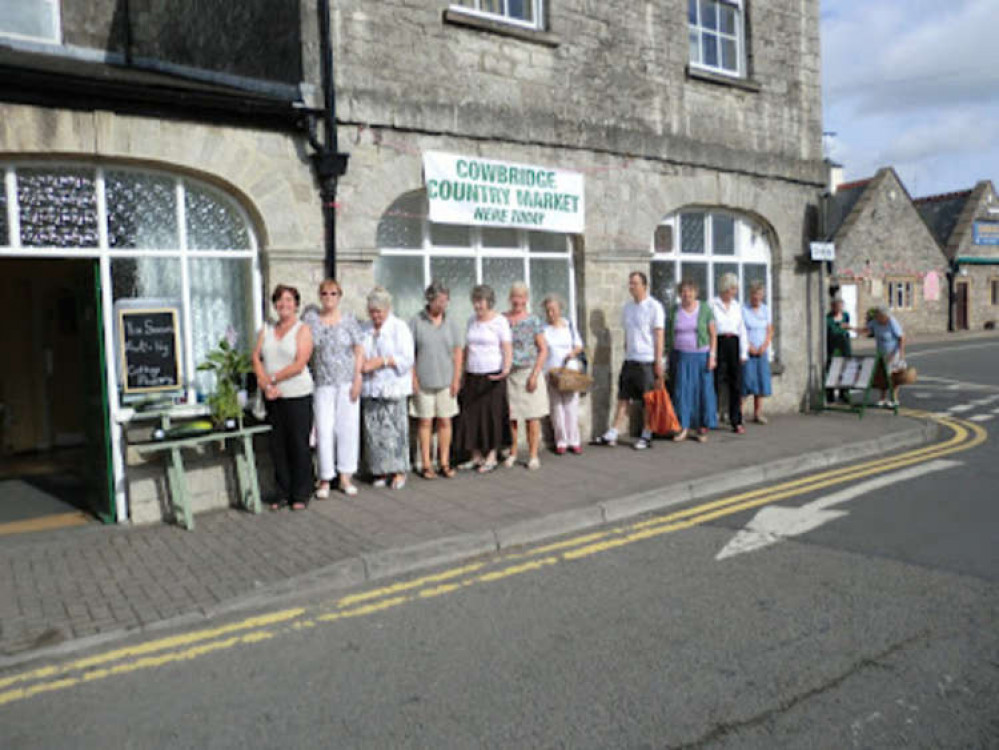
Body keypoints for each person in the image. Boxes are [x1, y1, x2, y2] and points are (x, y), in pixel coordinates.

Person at [252, 284, 315, 511]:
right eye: (280, 300)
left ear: (296, 304)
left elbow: (300, 363)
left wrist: (273, 379)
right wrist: (264, 383)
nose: (284, 304)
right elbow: (256, 357)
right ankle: (282, 492)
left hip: (297, 394)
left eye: (289, 300)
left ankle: (301, 492)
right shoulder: (267, 329)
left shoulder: (303, 329)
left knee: (298, 445)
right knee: (277, 446)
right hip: (273, 396)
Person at [303, 278, 363, 498]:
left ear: (340, 296)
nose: (329, 298)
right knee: (324, 429)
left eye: (333, 294)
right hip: (323, 382)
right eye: (325, 294)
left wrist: (358, 378)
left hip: (346, 380)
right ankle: (325, 476)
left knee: (347, 428)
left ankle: (346, 475)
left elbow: (359, 349)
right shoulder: (312, 320)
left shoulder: (348, 320)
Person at [593, 271, 665, 450]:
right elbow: (627, 334)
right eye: (630, 283)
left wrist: (658, 362)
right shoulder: (627, 307)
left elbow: (659, 335)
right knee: (623, 397)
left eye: (635, 283)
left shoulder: (654, 307)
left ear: (644, 286)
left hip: (647, 360)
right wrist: (627, 351)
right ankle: (614, 431)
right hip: (630, 358)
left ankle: (647, 434)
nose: (631, 286)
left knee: (648, 400)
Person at [359, 287, 414, 490]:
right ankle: (379, 469)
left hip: (393, 386)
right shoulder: (365, 329)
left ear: (388, 309)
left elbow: (407, 358)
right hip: (371, 386)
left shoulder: (399, 327)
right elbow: (359, 352)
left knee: (395, 430)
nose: (375, 316)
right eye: (372, 311)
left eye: (379, 312)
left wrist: (382, 361)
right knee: (374, 431)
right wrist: (365, 364)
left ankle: (398, 470)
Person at [410, 280, 464, 479]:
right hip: (424, 381)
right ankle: (426, 463)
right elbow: (410, 353)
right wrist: (413, 377)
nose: (442, 305)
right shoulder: (416, 321)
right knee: (425, 422)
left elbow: (458, 352)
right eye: (438, 301)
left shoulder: (452, 323)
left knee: (445, 421)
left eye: (445, 301)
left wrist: (457, 378)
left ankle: (444, 461)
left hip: (446, 381)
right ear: (430, 300)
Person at [456, 284, 512, 473]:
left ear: (489, 302)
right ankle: (476, 455)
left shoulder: (500, 321)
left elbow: (506, 347)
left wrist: (506, 369)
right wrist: (462, 373)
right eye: (475, 301)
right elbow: (466, 348)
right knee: (470, 416)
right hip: (473, 373)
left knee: (492, 417)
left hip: (493, 374)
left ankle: (492, 455)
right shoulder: (471, 320)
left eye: (480, 301)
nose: (477, 305)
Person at [503, 282, 549, 470]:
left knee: (532, 417)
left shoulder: (534, 321)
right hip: (510, 373)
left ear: (526, 299)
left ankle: (532, 455)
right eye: (515, 297)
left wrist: (535, 374)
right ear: (510, 298)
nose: (518, 301)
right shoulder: (502, 319)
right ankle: (513, 452)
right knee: (512, 417)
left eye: (521, 297)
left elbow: (543, 349)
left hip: (529, 372)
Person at [667, 278, 718, 443]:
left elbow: (713, 334)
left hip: (701, 356)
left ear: (695, 292)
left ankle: (702, 428)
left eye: (689, 291)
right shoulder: (675, 310)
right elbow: (669, 334)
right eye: (683, 291)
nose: (686, 294)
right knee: (682, 393)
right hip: (681, 357)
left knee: (702, 392)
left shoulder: (704, 309)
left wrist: (712, 356)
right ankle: (683, 427)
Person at [542, 294, 585, 455]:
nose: (551, 313)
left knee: (571, 406)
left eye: (553, 310)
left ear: (560, 309)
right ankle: (561, 441)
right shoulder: (544, 329)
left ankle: (574, 440)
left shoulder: (569, 326)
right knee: (556, 408)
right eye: (548, 311)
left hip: (569, 370)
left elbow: (579, 345)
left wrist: (571, 354)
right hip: (551, 371)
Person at [710, 273, 749, 434]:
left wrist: (743, 352)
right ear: (725, 288)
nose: (734, 292)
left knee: (736, 384)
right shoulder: (712, 304)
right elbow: (709, 329)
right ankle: (710, 418)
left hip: (733, 343)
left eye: (735, 289)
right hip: (718, 342)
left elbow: (742, 329)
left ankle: (736, 420)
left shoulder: (736, 306)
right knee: (714, 383)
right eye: (732, 289)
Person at [741, 281, 773, 424]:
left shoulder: (766, 310)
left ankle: (758, 413)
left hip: (762, 351)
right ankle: (739, 414)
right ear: (750, 295)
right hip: (748, 351)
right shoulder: (744, 309)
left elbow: (770, 330)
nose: (757, 297)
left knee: (760, 382)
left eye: (759, 294)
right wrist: (748, 346)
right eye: (754, 294)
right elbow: (740, 330)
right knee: (746, 381)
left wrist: (765, 345)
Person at [867, 304, 905, 408]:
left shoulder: (892, 322)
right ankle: (882, 398)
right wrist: (850, 328)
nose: (878, 319)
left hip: (893, 353)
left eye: (880, 317)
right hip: (881, 353)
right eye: (877, 316)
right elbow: (866, 330)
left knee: (893, 376)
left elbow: (901, 338)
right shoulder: (875, 322)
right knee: (882, 376)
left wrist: (901, 354)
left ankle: (894, 399)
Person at [825, 294, 853, 404]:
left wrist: (845, 328)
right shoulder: (829, 318)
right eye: (837, 306)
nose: (839, 308)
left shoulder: (846, 315)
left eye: (841, 305)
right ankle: (830, 394)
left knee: (845, 370)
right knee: (832, 370)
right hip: (833, 348)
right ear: (832, 306)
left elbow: (846, 328)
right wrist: (842, 328)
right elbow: (833, 331)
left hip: (845, 347)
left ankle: (844, 393)